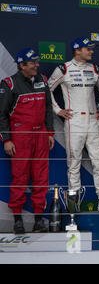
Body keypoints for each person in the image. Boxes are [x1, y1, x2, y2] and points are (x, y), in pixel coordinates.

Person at [48, 37, 99, 211]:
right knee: (73, 162)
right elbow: (47, 90)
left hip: (93, 121)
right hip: (74, 121)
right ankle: (74, 201)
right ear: (77, 50)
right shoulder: (63, 68)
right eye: (88, 49)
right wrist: (58, 110)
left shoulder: (95, 69)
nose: (91, 51)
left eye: (91, 49)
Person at [0, 48, 55, 233]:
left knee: (41, 179)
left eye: (37, 62)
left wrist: (50, 133)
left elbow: (48, 108)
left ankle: (39, 219)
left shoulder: (43, 80)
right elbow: (1, 114)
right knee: (20, 178)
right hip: (20, 136)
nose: (37, 65)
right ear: (22, 65)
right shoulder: (10, 84)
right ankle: (17, 219)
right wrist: (6, 140)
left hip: (41, 135)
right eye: (33, 63)